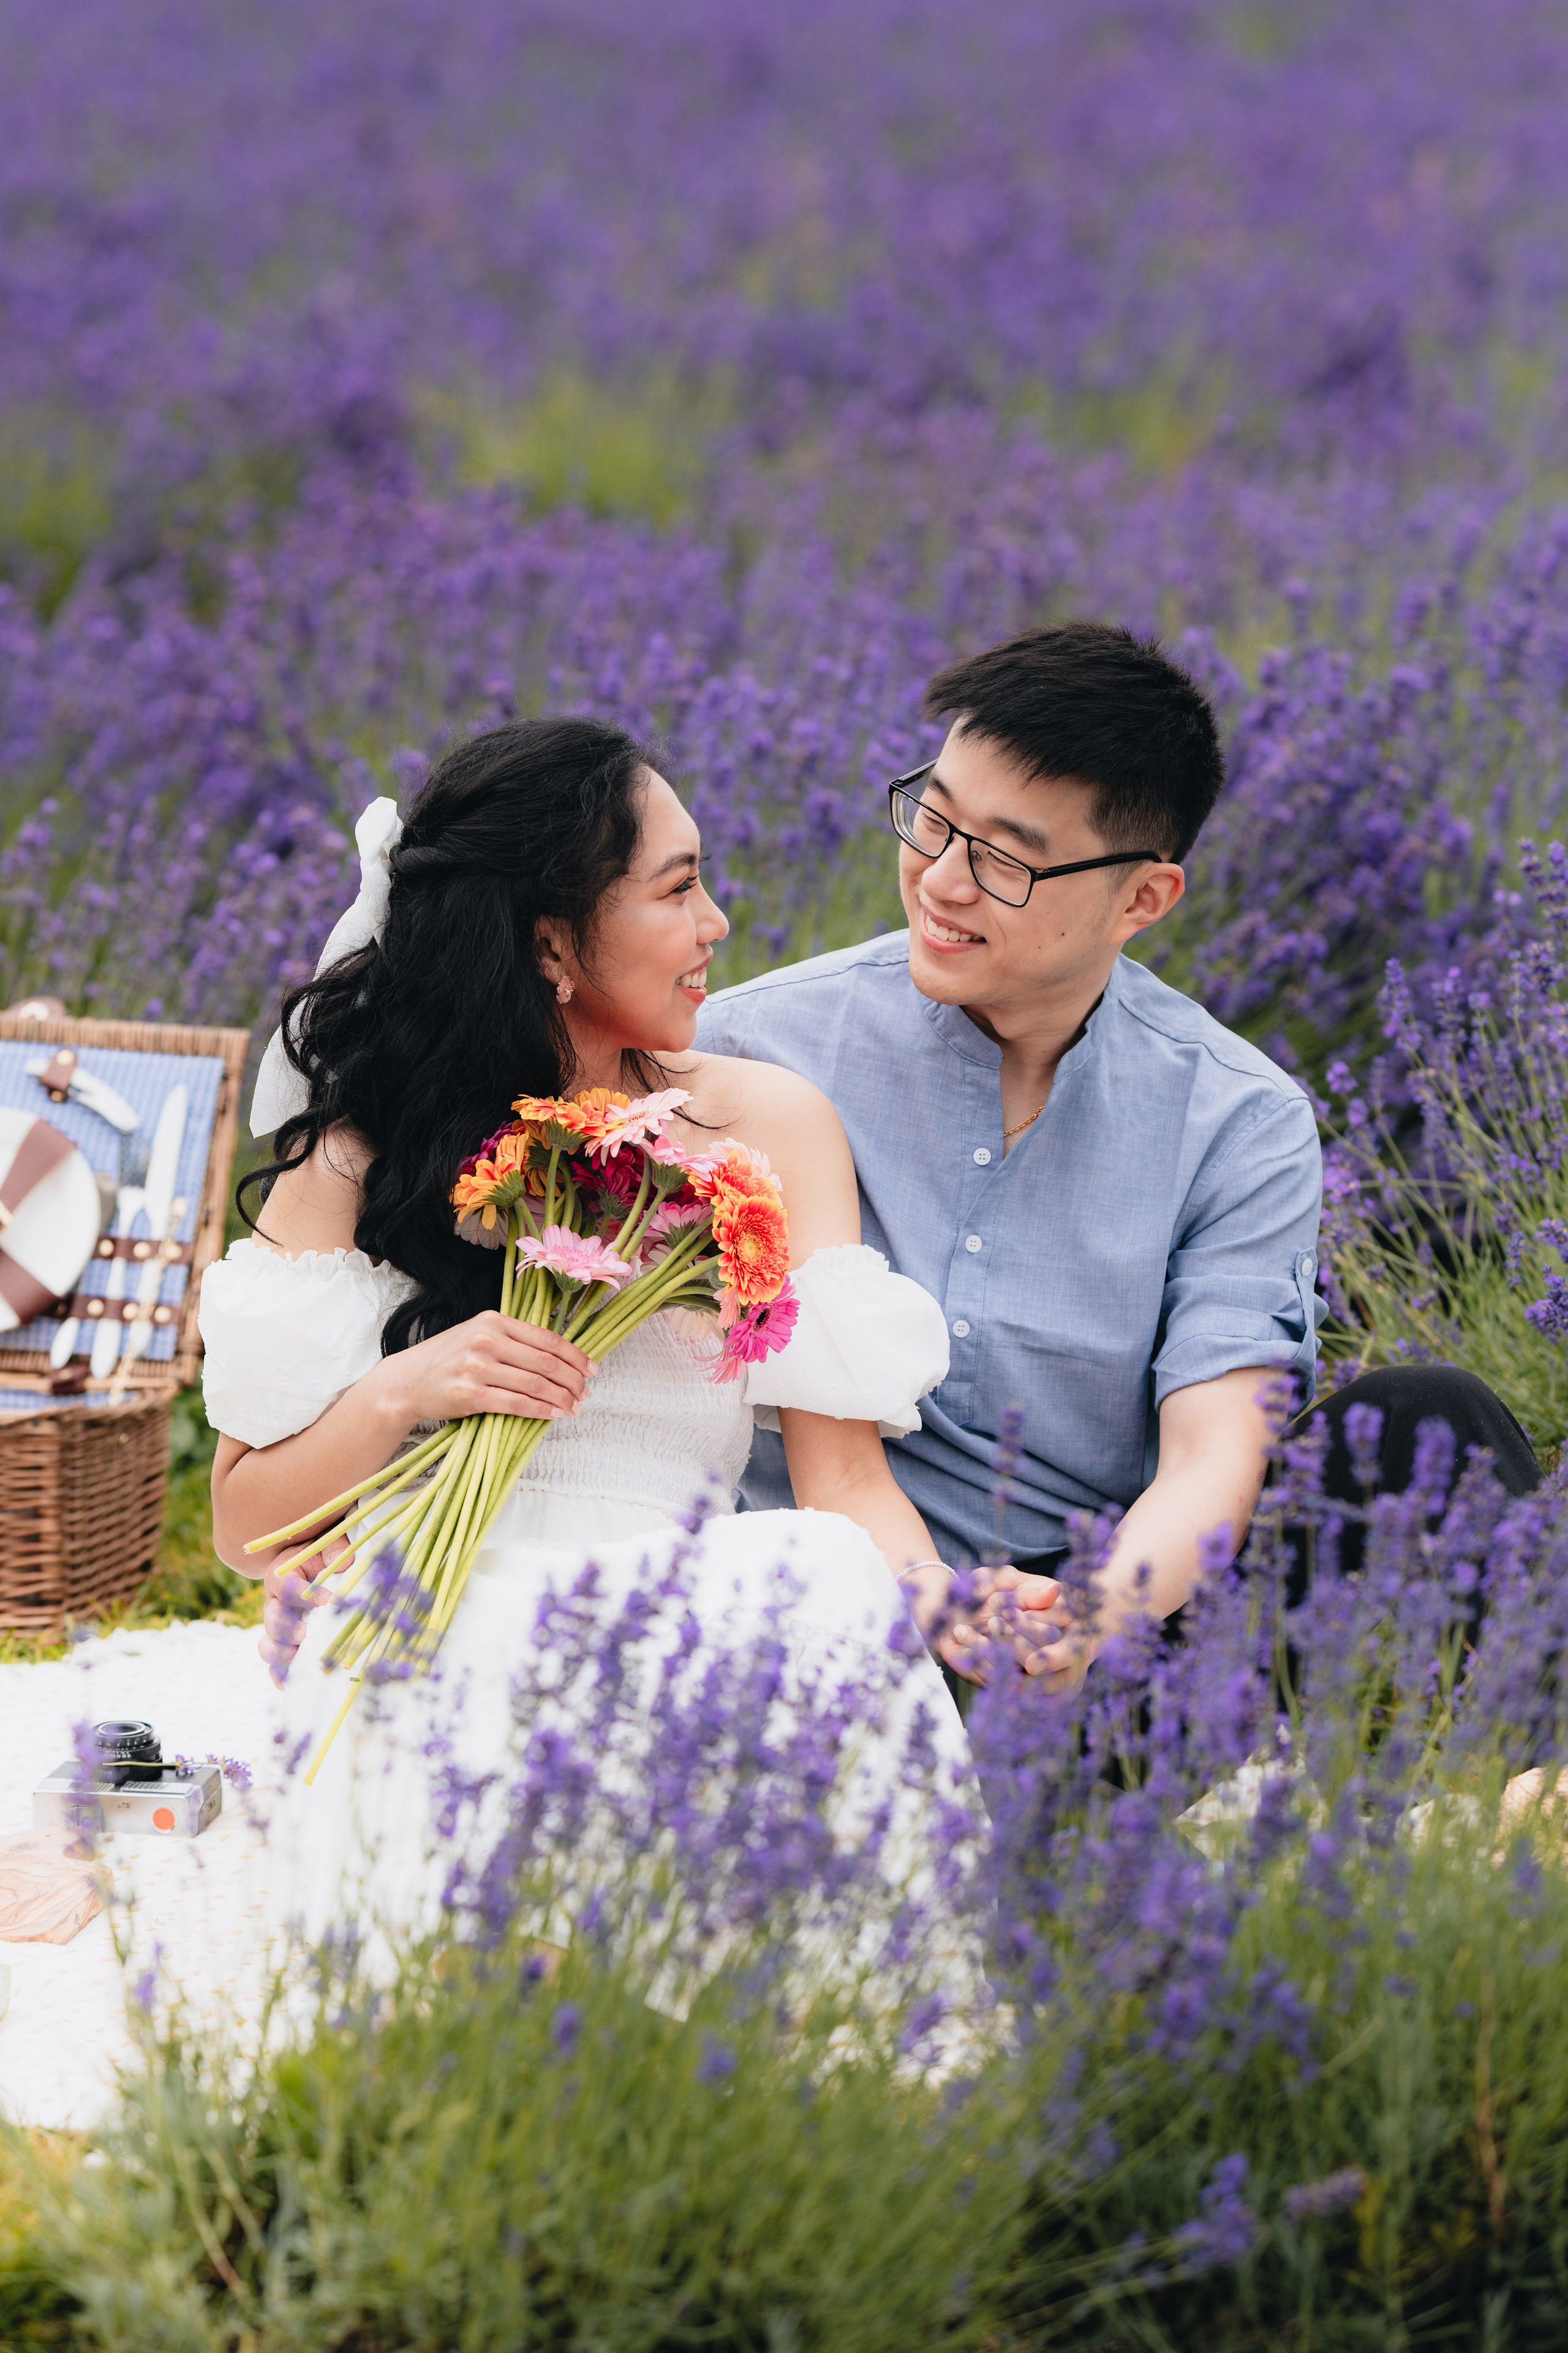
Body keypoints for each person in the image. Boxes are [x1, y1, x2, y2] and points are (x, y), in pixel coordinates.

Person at [201, 717, 1025, 1936]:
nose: (717, 928)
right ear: (549, 943)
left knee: (818, 1569)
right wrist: (403, 1392)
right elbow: (243, 1526)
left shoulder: (768, 1127)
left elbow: (844, 1483)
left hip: (675, 1594)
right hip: (445, 1600)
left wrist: (945, 1601)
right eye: (678, 888)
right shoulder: (368, 1145)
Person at [696, 622, 1540, 1694]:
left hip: (1097, 1641)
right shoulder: (754, 1048)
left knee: (1436, 1420)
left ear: (1142, 898)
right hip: (815, 1618)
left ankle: (1534, 1791)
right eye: (933, 819)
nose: (944, 881)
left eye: (1005, 857)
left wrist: (1092, 1616)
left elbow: (1213, 1452)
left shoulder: (1236, 1117)